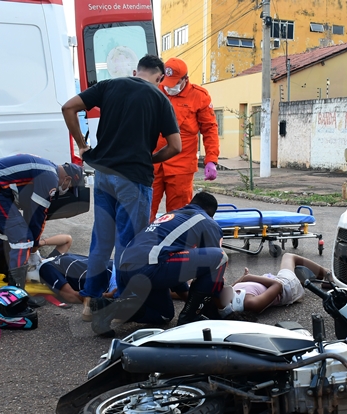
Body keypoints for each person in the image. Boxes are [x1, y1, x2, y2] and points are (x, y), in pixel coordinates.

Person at [60, 54, 182, 324]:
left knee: (101, 242)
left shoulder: (109, 85)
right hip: (133, 180)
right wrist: (149, 158)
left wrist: (82, 144)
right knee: (128, 245)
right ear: (160, 78)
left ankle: (90, 304)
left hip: (104, 175)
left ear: (135, 71)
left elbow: (68, 108)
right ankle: (123, 306)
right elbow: (175, 146)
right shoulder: (161, 99)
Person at [99, 192, 227, 335]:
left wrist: (190, 301)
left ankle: (110, 308)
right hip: (150, 267)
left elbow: (176, 265)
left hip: (127, 269)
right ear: (211, 213)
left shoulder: (174, 216)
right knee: (220, 257)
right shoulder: (207, 221)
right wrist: (215, 310)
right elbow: (214, 266)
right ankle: (189, 317)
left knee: (163, 314)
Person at [0, 154, 83, 288]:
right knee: (22, 239)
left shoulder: (48, 167)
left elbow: (31, 211)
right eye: (69, 186)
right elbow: (38, 215)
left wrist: (34, 245)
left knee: (10, 233)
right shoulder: (50, 178)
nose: (66, 189)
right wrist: (32, 248)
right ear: (67, 179)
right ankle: (15, 295)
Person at [151, 57, 220, 218]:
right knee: (143, 212)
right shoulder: (154, 91)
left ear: (185, 79)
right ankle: (141, 243)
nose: (169, 87)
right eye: (166, 81)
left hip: (181, 167)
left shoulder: (199, 96)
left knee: (179, 216)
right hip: (152, 163)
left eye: (174, 82)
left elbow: (210, 129)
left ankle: (178, 245)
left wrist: (211, 159)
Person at [221, 254, 331, 315]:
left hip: (274, 280)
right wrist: (249, 277)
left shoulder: (230, 295)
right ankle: (327, 273)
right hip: (287, 287)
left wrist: (243, 278)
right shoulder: (251, 303)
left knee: (294, 271)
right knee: (289, 256)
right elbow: (278, 285)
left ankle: (308, 279)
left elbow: (233, 286)